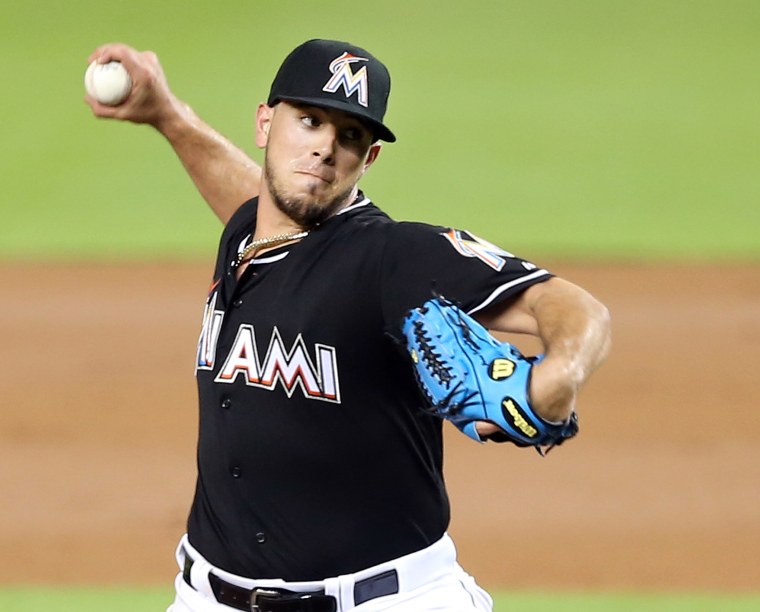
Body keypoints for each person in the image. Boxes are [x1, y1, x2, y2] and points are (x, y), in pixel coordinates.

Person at [85, 39, 611, 612]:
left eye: (351, 136)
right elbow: (252, 194)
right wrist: (167, 115)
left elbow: (573, 306)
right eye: (309, 121)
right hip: (208, 597)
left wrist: (558, 378)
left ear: (370, 159)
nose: (324, 150)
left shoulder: (393, 257)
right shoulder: (249, 232)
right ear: (265, 123)